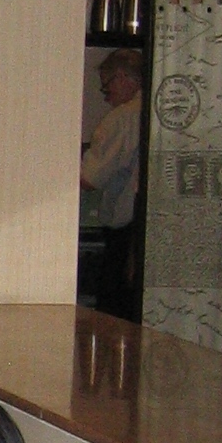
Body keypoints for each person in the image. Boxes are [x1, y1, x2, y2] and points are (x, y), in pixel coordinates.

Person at [81, 49, 144, 321]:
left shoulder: (121, 119)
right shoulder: (155, 110)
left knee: (113, 317)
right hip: (148, 229)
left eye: (107, 87)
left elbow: (90, 179)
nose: (107, 97)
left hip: (125, 234)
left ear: (122, 78)